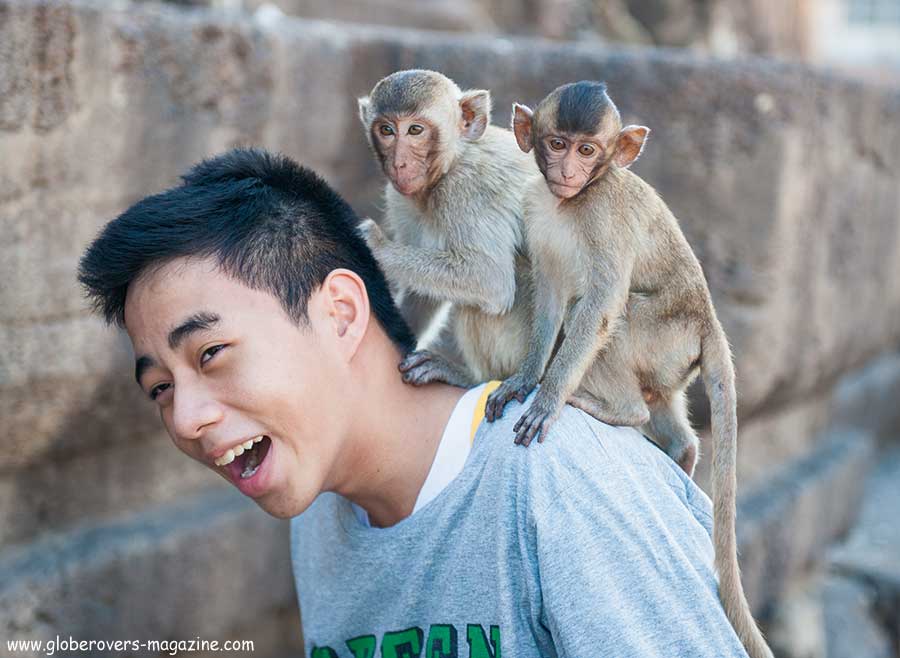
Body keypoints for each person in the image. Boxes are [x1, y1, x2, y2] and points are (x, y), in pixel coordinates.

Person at [78, 147, 749, 657]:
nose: (187, 419)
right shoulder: (321, 509)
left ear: (340, 314)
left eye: (211, 355)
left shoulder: (553, 473)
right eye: (160, 389)